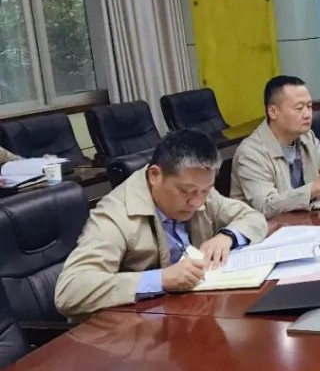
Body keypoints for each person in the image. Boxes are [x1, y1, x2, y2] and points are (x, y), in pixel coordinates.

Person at [55, 130, 267, 318]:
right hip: (133, 331)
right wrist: (160, 279)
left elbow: (253, 218)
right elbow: (70, 290)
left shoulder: (199, 189)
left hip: (190, 312)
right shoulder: (116, 215)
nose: (196, 202)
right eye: (185, 191)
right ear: (155, 175)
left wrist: (227, 236)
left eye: (205, 190)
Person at [231, 75, 320, 216]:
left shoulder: (306, 136)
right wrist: (317, 186)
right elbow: (265, 206)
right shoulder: (251, 153)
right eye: (299, 108)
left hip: (303, 221)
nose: (307, 114)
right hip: (266, 227)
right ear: (273, 112)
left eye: (309, 106)